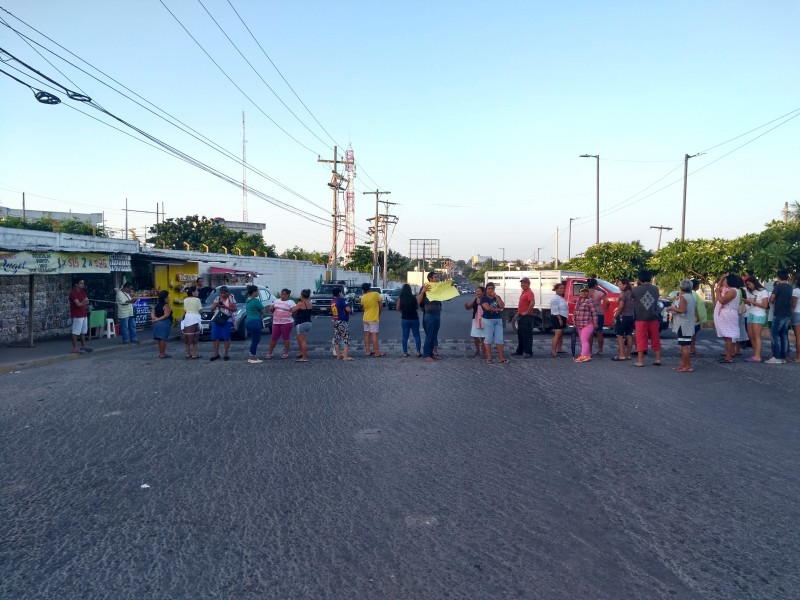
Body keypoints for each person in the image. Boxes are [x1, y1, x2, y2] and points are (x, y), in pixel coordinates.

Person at [632, 270, 662, 367]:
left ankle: (640, 361)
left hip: (640, 318)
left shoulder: (636, 289)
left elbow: (632, 299)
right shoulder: (655, 289)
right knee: (655, 338)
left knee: (641, 339)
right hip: (653, 317)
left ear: (639, 279)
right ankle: (657, 359)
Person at [667, 279, 697, 372]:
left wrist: (672, 308)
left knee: (684, 346)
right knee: (684, 345)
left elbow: (681, 310)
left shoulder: (683, 297)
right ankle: (683, 364)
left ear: (681, 287)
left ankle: (687, 366)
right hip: (688, 323)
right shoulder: (691, 297)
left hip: (683, 325)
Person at [765, 269, 793, 364]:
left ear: (778, 277)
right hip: (787, 313)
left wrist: (771, 301)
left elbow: (772, 298)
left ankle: (776, 357)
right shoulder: (790, 287)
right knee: (784, 335)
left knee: (775, 335)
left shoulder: (778, 286)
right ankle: (783, 357)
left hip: (779, 313)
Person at [714, 274, 740, 363]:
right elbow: (719, 287)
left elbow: (723, 301)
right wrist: (721, 278)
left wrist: (717, 292)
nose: (724, 282)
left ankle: (729, 356)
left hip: (728, 314)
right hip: (724, 314)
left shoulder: (733, 291)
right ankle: (728, 354)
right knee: (726, 336)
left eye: (725, 280)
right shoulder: (728, 290)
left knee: (728, 336)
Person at [742, 276, 769, 363]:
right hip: (751, 313)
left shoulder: (763, 291)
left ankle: (758, 356)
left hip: (759, 314)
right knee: (750, 335)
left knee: (756, 335)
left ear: (754, 282)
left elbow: (765, 305)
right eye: (747, 285)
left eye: (750, 284)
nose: (749, 286)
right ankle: (755, 354)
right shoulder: (750, 291)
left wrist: (752, 302)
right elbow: (751, 305)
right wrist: (746, 301)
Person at [418, 271, 443, 361]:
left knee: (434, 336)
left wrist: (449, 288)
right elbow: (418, 301)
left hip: (437, 314)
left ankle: (431, 354)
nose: (437, 279)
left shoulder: (438, 288)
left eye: (437, 277)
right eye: (435, 277)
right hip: (429, 315)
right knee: (429, 336)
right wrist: (423, 292)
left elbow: (447, 298)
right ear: (430, 279)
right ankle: (426, 355)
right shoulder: (424, 288)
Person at [481, 282, 508, 363]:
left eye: (492, 289)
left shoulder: (497, 297)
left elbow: (502, 305)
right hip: (488, 320)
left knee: (499, 339)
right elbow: (487, 308)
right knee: (488, 339)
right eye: (489, 289)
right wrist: (497, 309)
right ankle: (489, 358)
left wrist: (496, 297)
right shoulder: (484, 298)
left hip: (498, 320)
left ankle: (501, 358)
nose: (490, 290)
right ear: (486, 290)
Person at [267, 289, 296, 360]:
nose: (282, 296)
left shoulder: (291, 302)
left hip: (286, 322)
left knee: (286, 337)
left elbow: (294, 311)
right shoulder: (276, 301)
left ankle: (285, 352)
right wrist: (271, 308)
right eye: (281, 294)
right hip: (276, 322)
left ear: (287, 295)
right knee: (274, 337)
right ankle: (270, 352)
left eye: (284, 294)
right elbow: (272, 310)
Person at [210, 285, 236, 361]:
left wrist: (225, 307)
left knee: (226, 337)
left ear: (227, 293)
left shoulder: (231, 298)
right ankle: (216, 353)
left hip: (227, 319)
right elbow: (212, 309)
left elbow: (234, 309)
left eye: (224, 293)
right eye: (221, 293)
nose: (223, 295)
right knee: (215, 336)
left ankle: (226, 353)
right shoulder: (217, 298)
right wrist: (216, 304)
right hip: (217, 319)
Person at [573, 287, 598, 363]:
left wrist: (595, 322)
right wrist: (574, 319)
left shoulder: (589, 300)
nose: (584, 293)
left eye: (585, 291)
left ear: (588, 292)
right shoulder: (578, 300)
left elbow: (594, 312)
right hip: (579, 324)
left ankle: (584, 355)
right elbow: (575, 311)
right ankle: (586, 355)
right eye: (582, 291)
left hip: (588, 323)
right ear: (579, 292)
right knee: (583, 340)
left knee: (584, 340)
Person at [612, 278, 634, 361]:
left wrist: (615, 316)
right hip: (631, 316)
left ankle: (621, 355)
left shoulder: (622, 294)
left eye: (620, 284)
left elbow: (621, 306)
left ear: (625, 285)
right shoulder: (632, 293)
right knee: (629, 335)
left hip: (623, 316)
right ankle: (628, 355)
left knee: (620, 335)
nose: (618, 286)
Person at [69, 279, 93, 354]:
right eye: (81, 283)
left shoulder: (83, 292)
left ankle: (83, 345)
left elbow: (87, 301)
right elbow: (78, 304)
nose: (82, 284)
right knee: (76, 331)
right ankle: (74, 347)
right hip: (77, 314)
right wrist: (83, 302)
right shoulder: (73, 293)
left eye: (83, 283)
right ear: (76, 284)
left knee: (83, 331)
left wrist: (82, 302)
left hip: (83, 313)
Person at [360, 282, 385, 357]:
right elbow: (381, 305)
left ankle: (368, 351)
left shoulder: (363, 297)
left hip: (365, 318)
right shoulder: (375, 294)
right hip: (373, 318)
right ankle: (377, 351)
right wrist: (378, 314)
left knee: (367, 334)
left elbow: (363, 308)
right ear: (369, 288)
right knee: (374, 334)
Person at [513, 277, 535, 357]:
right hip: (521, 316)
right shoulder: (524, 292)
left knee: (527, 335)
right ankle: (520, 351)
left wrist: (527, 312)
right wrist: (517, 314)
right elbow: (522, 304)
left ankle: (528, 352)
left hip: (527, 317)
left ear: (528, 284)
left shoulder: (529, 292)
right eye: (522, 283)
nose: (523, 284)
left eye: (525, 283)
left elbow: (532, 303)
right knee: (520, 335)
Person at [398, 283, 422, 357]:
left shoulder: (401, 298)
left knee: (405, 336)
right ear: (410, 290)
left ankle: (405, 352)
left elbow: (397, 308)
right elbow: (417, 307)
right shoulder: (413, 298)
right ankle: (418, 352)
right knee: (417, 335)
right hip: (414, 318)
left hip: (404, 319)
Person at [587, 278, 609, 355]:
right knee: (599, 332)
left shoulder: (586, 293)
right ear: (596, 285)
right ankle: (600, 350)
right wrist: (607, 306)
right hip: (599, 313)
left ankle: (589, 351)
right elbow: (607, 301)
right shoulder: (599, 293)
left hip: (589, 314)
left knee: (590, 333)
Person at [244, 285, 265, 364]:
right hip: (255, 321)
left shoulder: (248, 299)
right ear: (254, 292)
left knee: (253, 339)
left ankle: (251, 356)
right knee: (256, 339)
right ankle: (252, 357)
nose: (258, 292)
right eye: (257, 291)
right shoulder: (256, 300)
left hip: (248, 320)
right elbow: (262, 310)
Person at [331, 287, 353, 361]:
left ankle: (338, 355)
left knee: (337, 338)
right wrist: (349, 310)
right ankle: (345, 356)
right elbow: (348, 309)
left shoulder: (332, 301)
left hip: (335, 320)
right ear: (340, 293)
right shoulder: (342, 300)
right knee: (346, 338)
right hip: (342, 321)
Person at [291, 289, 313, 362]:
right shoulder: (310, 302)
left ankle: (304, 357)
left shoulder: (301, 303)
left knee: (302, 341)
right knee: (299, 339)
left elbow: (293, 310)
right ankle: (301, 353)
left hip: (301, 323)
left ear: (302, 295)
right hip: (309, 322)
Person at [181, 285, 202, 359]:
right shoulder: (197, 300)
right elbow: (200, 310)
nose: (198, 292)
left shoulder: (185, 300)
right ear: (193, 292)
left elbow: (185, 310)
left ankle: (188, 353)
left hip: (187, 319)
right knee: (195, 339)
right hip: (195, 319)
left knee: (187, 338)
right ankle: (194, 354)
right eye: (197, 290)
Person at [150, 289, 172, 359]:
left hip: (157, 323)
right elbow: (166, 315)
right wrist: (158, 319)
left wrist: (154, 318)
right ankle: (162, 354)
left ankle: (162, 352)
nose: (169, 298)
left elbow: (152, 313)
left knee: (160, 339)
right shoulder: (166, 305)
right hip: (164, 323)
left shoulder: (157, 305)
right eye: (168, 297)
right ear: (165, 298)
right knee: (163, 339)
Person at [465, 287, 486, 358]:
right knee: (475, 336)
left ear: (483, 292)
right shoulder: (475, 299)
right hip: (475, 319)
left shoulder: (485, 299)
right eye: (477, 291)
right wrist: (466, 305)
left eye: (479, 291)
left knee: (483, 337)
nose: (477, 293)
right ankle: (477, 350)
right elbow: (468, 307)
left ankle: (483, 352)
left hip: (484, 320)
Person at [689, 279, 708, 357]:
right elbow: (694, 305)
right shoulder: (692, 293)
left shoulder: (692, 293)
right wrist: (697, 316)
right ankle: (691, 350)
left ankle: (692, 349)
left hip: (694, 318)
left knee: (693, 335)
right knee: (692, 335)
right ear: (696, 286)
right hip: (694, 318)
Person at [549, 282, 569, 358]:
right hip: (557, 317)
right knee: (557, 335)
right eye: (560, 288)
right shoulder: (555, 298)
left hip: (563, 316)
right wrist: (559, 319)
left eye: (563, 288)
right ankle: (553, 352)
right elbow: (555, 309)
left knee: (560, 335)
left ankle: (559, 349)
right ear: (556, 289)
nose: (562, 290)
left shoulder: (561, 297)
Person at [791, 275, 800, 362]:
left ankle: (798, 357)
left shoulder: (796, 291)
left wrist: (790, 314)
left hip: (797, 313)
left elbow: (793, 305)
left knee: (798, 337)